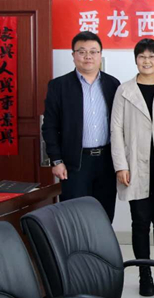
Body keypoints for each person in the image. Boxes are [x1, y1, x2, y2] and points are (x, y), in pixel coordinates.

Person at [110, 38, 154, 296]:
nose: (147, 61)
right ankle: (144, 276)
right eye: (142, 57)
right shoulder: (124, 90)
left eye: (152, 57)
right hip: (134, 167)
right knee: (140, 223)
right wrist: (120, 165)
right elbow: (116, 129)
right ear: (136, 59)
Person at [43, 31, 120, 222]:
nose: (88, 56)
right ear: (73, 55)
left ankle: (101, 243)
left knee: (104, 215)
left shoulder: (113, 84)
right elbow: (50, 126)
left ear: (100, 55)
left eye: (93, 51)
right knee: (74, 216)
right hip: (74, 162)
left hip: (106, 161)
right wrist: (56, 160)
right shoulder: (59, 86)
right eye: (82, 51)